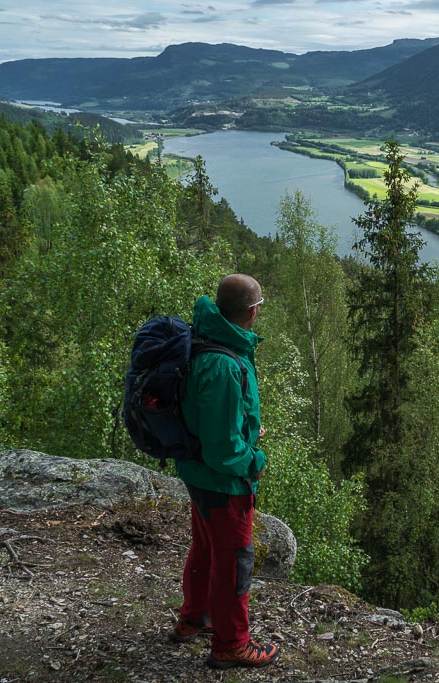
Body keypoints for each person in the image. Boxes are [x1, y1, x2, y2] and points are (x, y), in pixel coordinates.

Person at [168, 274, 279, 669]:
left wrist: (248, 429)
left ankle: (193, 618)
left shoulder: (211, 338)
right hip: (222, 480)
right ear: (252, 310)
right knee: (234, 559)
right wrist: (256, 461)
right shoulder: (223, 364)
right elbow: (224, 449)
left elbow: (217, 419)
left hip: (198, 473)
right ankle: (231, 644)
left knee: (206, 547)